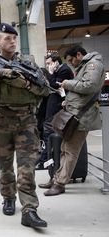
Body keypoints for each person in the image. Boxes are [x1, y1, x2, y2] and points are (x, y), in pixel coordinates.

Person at [0, 23, 49, 228]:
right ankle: (8, 197)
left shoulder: (28, 63)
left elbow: (44, 89)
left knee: (27, 168)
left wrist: (24, 83)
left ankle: (29, 209)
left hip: (26, 122)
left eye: (14, 38)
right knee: (5, 166)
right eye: (7, 38)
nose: (12, 41)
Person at [43, 45, 105, 196]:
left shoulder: (93, 64)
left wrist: (67, 83)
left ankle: (60, 183)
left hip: (82, 116)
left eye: (71, 60)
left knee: (70, 150)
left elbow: (88, 86)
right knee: (65, 148)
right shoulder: (86, 65)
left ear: (79, 55)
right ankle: (57, 178)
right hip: (76, 113)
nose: (71, 64)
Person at [35, 54, 74, 171]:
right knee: (47, 134)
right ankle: (45, 160)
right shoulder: (60, 71)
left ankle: (45, 161)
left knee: (49, 133)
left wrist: (51, 73)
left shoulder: (64, 70)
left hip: (56, 108)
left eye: (50, 63)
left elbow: (54, 85)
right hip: (52, 107)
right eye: (47, 64)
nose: (48, 66)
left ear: (56, 62)